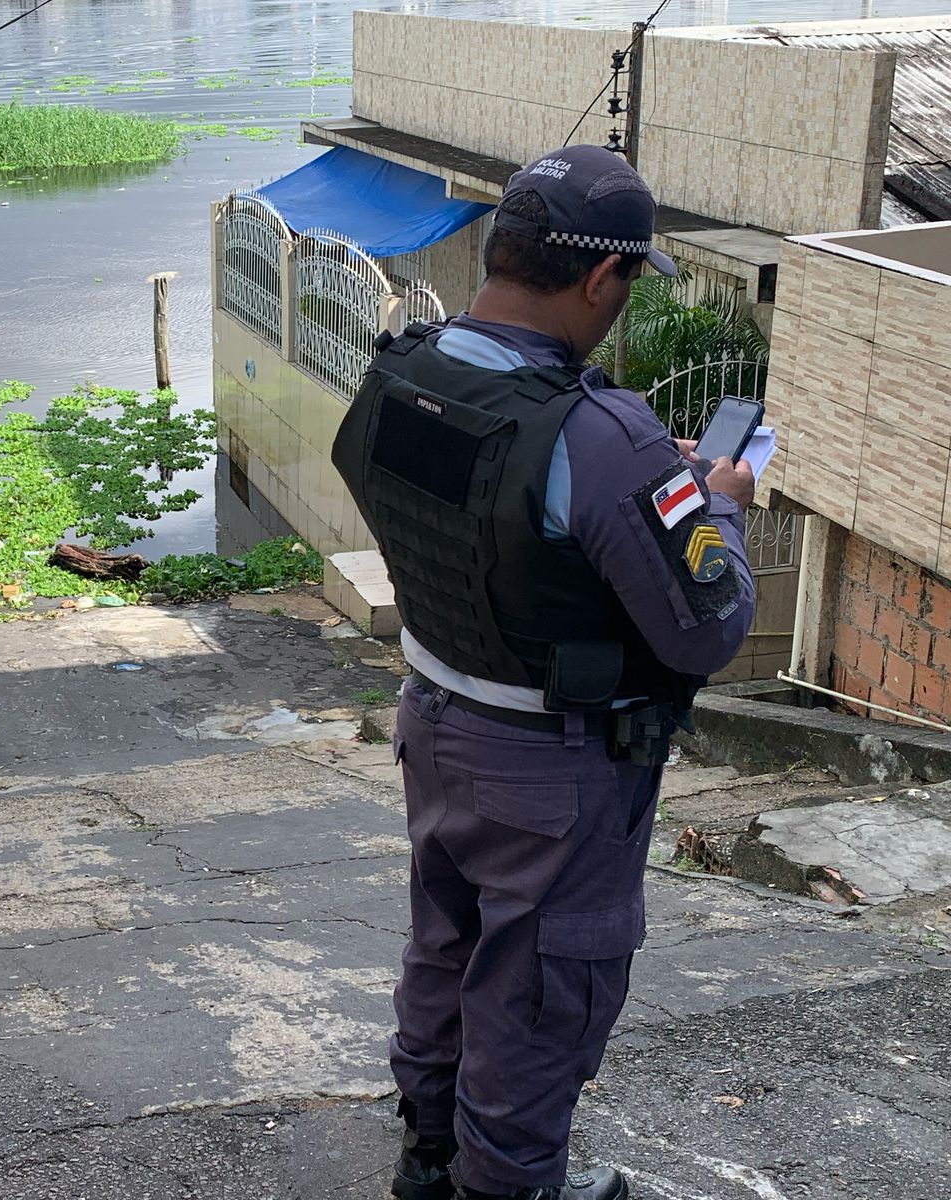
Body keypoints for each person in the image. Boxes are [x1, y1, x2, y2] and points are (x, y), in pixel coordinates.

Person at [331, 145, 757, 1200]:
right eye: (627, 284)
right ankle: (510, 1188)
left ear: (505, 245)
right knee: (538, 991)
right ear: (602, 277)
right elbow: (707, 630)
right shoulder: (605, 437)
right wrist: (719, 504)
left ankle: (431, 1154)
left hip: (435, 716)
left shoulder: (407, 367)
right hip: (552, 769)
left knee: (447, 945)